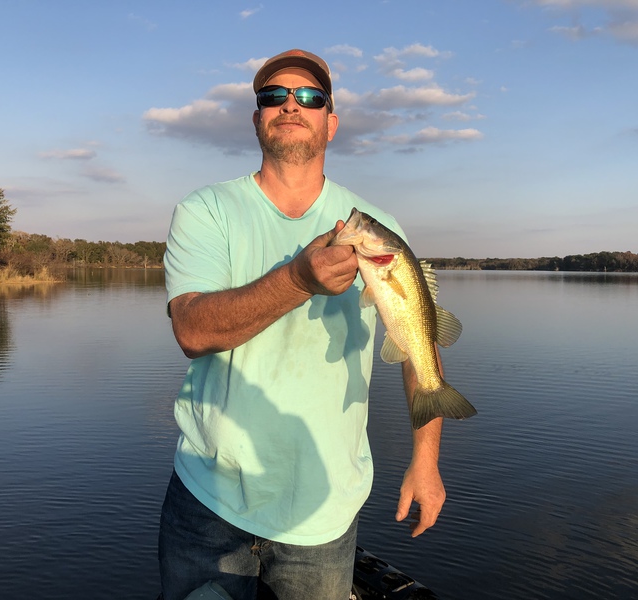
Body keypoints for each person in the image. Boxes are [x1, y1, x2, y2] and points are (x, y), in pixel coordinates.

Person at [159, 49, 448, 600]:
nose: (291, 105)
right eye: (275, 96)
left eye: (310, 97)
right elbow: (192, 331)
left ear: (330, 123)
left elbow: (420, 340)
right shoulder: (206, 210)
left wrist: (426, 461)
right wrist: (298, 279)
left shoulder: (381, 229)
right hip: (208, 498)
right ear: (257, 118)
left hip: (324, 508)